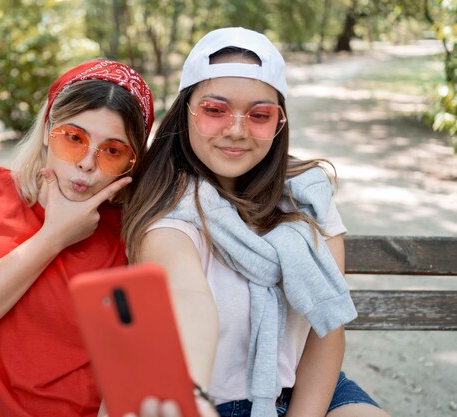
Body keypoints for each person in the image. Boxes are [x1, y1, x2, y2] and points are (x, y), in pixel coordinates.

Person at [123, 27, 391, 417]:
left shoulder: (307, 194)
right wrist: (192, 392)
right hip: (204, 402)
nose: (236, 130)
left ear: (279, 122)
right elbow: (187, 294)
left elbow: (326, 329)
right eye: (215, 110)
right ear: (186, 112)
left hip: (308, 389)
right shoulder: (169, 209)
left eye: (259, 115)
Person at [0, 59, 158, 416]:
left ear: (130, 164)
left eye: (112, 151)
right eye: (73, 138)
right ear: (47, 130)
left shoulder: (134, 230)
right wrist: (53, 237)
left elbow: (126, 380)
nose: (87, 164)